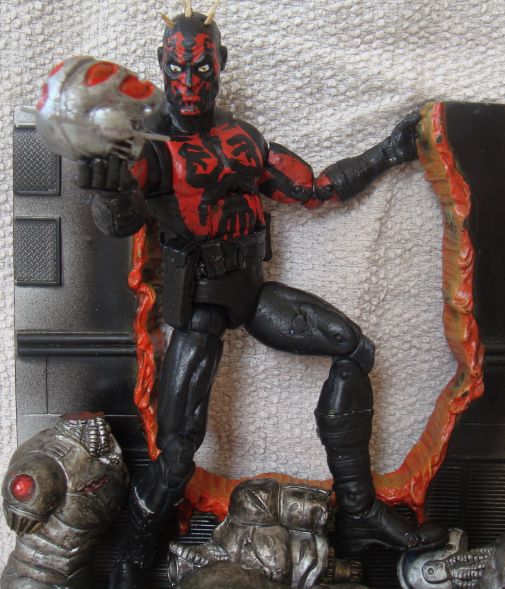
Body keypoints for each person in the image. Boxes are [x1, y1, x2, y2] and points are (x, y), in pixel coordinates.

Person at [76, 5, 447, 587]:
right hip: (197, 310)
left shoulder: (242, 139)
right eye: (177, 69)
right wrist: (107, 193)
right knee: (176, 453)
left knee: (353, 347)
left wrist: (389, 152)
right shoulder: (151, 149)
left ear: (221, 64)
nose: (189, 83)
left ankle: (360, 512)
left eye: (201, 69)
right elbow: (121, 220)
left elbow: (316, 188)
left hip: (250, 294)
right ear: (162, 66)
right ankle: (133, 554)